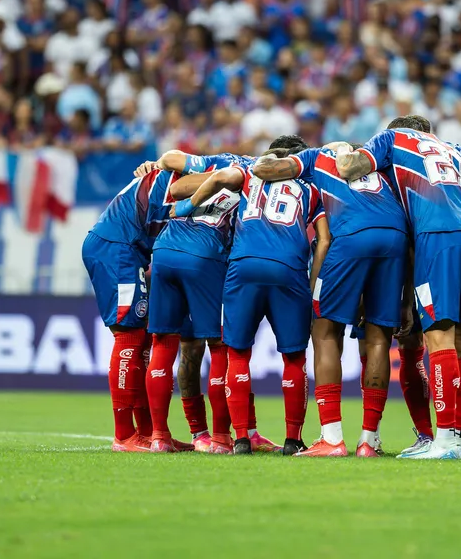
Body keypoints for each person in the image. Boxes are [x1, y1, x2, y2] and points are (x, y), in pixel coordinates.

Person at [336, 116, 461, 460]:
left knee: (438, 335)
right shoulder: (453, 151)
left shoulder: (392, 138)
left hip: (437, 236)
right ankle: (458, 440)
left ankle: (445, 440)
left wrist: (338, 149)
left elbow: (349, 167)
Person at [251, 138, 409, 458]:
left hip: (350, 236)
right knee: (378, 336)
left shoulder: (315, 157)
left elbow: (268, 170)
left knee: (324, 330)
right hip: (396, 238)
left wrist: (252, 163)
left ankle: (332, 438)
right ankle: (368, 441)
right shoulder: (377, 164)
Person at [173, 136, 329, 456]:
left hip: (243, 266)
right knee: (294, 357)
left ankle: (241, 437)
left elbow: (208, 178)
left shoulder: (247, 171)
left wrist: (186, 205)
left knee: (238, 353)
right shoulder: (313, 187)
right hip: (289, 268)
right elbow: (324, 239)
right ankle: (292, 439)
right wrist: (313, 285)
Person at [139, 146, 280, 455]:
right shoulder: (260, 179)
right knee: (220, 348)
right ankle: (219, 438)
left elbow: (175, 176)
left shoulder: (220, 162)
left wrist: (160, 165)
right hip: (205, 256)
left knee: (164, 343)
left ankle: (160, 436)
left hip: (164, 251)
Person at [80, 166, 205, 452]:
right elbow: (183, 186)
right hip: (117, 249)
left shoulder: (165, 174)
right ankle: (124, 435)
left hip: (128, 251)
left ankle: (149, 433)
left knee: (144, 338)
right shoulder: (179, 178)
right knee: (129, 336)